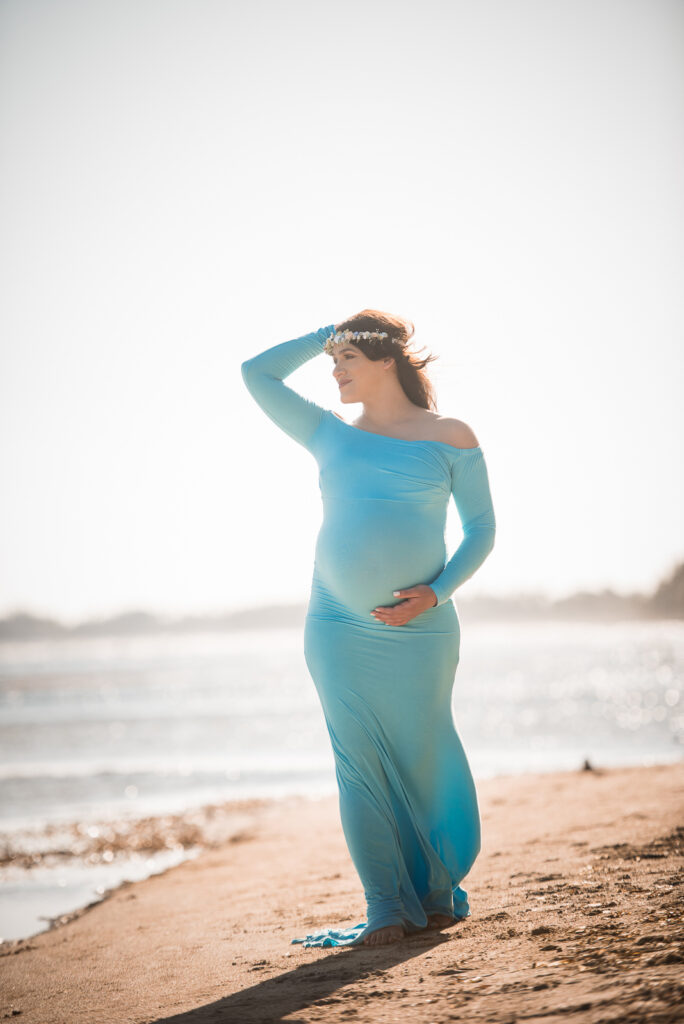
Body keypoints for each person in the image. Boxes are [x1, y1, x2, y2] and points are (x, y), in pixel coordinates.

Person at [240, 309, 496, 948]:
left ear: (387, 361)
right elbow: (255, 373)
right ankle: (385, 906)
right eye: (332, 362)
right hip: (335, 626)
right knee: (358, 765)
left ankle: (434, 895)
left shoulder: (451, 435)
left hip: (426, 630)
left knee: (425, 756)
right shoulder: (326, 432)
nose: (334, 373)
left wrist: (436, 594)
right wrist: (321, 335)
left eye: (346, 360)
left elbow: (482, 529)